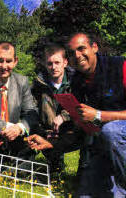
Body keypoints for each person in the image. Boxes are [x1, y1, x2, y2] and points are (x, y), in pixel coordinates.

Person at [28, 32, 126, 197]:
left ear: (94, 47)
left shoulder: (122, 67)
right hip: (102, 142)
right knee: (84, 194)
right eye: (72, 53)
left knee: (112, 130)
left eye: (82, 49)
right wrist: (52, 143)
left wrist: (98, 115)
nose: (78, 56)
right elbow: (81, 128)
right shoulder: (77, 83)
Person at [31, 42, 84, 173]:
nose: (53, 67)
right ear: (45, 64)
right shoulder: (38, 84)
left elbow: (84, 105)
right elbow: (32, 109)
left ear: (65, 62)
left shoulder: (77, 81)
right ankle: (54, 164)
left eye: (57, 62)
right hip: (47, 131)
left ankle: (84, 170)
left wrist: (64, 116)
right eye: (49, 63)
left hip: (72, 130)